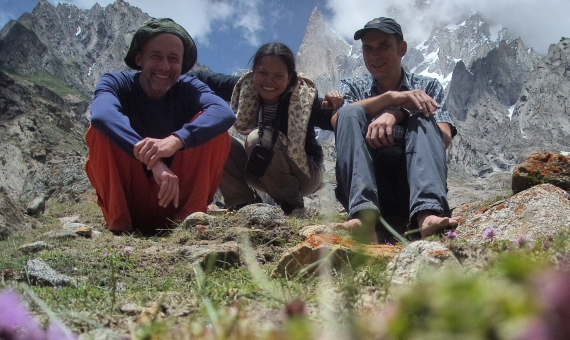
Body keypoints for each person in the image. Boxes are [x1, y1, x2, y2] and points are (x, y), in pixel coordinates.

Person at [85, 18, 235, 234]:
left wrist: (175, 141)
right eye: (156, 56)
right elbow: (101, 114)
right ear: (139, 58)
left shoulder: (189, 87)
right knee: (99, 132)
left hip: (176, 198)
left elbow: (223, 112)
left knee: (217, 133)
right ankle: (121, 225)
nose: (165, 66)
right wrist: (154, 161)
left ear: (182, 66)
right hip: (130, 201)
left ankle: (189, 221)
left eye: (174, 59)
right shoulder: (116, 82)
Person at [331, 17, 460, 243]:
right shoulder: (351, 86)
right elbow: (338, 121)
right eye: (368, 49)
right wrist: (392, 98)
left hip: (413, 185)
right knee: (349, 112)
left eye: (384, 46)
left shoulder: (427, 86)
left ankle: (427, 215)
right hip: (366, 184)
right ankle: (364, 219)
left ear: (402, 49)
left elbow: (445, 137)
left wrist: (399, 113)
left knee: (423, 118)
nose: (375, 56)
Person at [191, 43, 344, 214]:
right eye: (262, 73)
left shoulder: (303, 100)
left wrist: (333, 107)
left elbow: (332, 122)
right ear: (253, 72)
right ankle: (243, 204)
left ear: (290, 78)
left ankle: (291, 206)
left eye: (278, 76)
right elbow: (200, 78)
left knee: (258, 137)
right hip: (261, 168)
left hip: (305, 174)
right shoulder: (243, 89)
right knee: (216, 137)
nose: (269, 81)